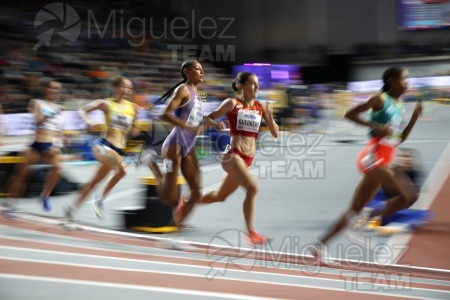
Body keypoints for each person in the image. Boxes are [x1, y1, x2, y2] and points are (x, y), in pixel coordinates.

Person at [312, 67, 422, 264]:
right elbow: (350, 113)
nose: (408, 83)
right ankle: (367, 219)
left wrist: (414, 117)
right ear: (391, 81)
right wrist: (375, 127)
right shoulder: (380, 99)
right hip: (373, 156)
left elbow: (399, 139)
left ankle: (320, 246)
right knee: (410, 195)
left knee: (354, 210)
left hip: (385, 157)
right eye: (405, 79)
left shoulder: (400, 106)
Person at [196, 72, 279, 245]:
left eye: (258, 84)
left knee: (220, 196)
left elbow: (275, 133)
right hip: (233, 156)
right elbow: (209, 117)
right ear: (242, 86)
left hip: (247, 159)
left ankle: (187, 203)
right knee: (253, 188)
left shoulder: (261, 106)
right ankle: (251, 233)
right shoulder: (233, 103)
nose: (257, 87)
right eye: (253, 84)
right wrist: (216, 124)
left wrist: (269, 117)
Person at [64, 76, 140, 222]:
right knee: (122, 170)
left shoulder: (132, 108)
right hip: (103, 146)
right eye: (124, 87)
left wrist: (135, 128)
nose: (127, 90)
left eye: (130, 88)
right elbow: (82, 110)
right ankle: (99, 200)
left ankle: (71, 210)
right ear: (116, 88)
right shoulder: (106, 104)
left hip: (117, 151)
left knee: (93, 183)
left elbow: (133, 130)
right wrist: (89, 122)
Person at [140, 60, 205, 226]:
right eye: (197, 68)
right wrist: (189, 127)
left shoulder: (198, 95)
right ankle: (151, 164)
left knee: (197, 192)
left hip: (189, 147)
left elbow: (193, 121)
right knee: (169, 198)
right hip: (174, 146)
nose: (202, 71)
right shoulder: (183, 89)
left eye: (202, 69)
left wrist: (203, 126)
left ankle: (178, 222)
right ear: (187, 72)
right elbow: (165, 114)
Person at [5, 78, 64, 214]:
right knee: (20, 175)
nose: (53, 91)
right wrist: (52, 114)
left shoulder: (59, 108)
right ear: (45, 89)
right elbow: (37, 122)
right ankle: (10, 205)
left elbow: (58, 129)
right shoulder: (37, 103)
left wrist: (61, 139)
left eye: (56, 89)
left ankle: (44, 195)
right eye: (51, 88)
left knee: (58, 168)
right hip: (36, 143)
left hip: (50, 145)